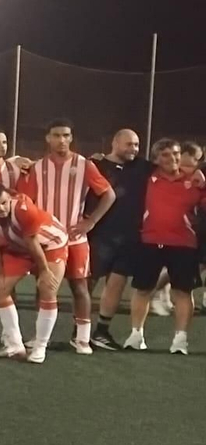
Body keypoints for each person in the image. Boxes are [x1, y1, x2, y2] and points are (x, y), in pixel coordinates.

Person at [17, 120, 115, 353]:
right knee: (44, 286)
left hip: (75, 237)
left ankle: (82, 338)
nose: (62, 140)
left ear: (71, 138)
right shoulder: (37, 167)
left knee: (80, 286)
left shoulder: (85, 165)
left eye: (66, 135)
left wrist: (90, 221)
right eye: (57, 135)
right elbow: (26, 201)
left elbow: (108, 194)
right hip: (47, 238)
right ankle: (42, 336)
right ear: (48, 138)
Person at [123, 138, 202, 353]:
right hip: (150, 241)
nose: (172, 158)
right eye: (165, 155)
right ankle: (136, 335)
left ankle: (180, 341)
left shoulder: (194, 182)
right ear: (156, 159)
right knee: (143, 290)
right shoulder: (147, 178)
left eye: (175, 153)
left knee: (183, 292)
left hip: (184, 244)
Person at [0, 181, 69, 363]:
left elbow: (33, 243)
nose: (2, 209)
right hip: (18, 247)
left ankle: (40, 347)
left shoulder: (23, 208)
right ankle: (15, 345)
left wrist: (44, 271)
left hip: (50, 244)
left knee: (47, 288)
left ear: (9, 197)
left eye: (4, 203)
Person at [90, 129, 147, 350]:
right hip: (100, 234)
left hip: (130, 236)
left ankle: (101, 332)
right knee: (87, 283)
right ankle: (81, 330)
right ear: (115, 143)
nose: (133, 149)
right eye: (129, 144)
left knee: (116, 284)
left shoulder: (143, 166)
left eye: (136, 144)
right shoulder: (96, 165)